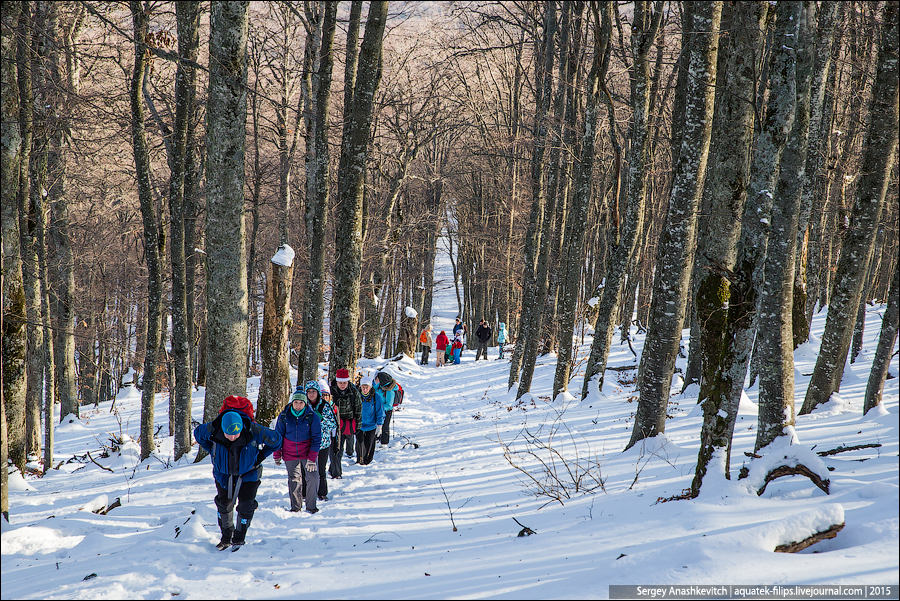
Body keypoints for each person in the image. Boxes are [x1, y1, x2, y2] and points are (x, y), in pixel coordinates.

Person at [194, 403, 282, 548]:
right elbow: (198, 434)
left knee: (246, 506)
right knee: (224, 505)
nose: (233, 437)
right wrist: (213, 452)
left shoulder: (253, 430)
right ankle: (226, 536)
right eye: (229, 434)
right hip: (223, 474)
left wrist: (260, 456)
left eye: (236, 433)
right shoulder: (214, 428)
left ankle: (239, 538)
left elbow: (276, 440)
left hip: (249, 474)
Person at [273, 390, 322, 514]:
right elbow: (278, 436)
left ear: (305, 404)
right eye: (296, 402)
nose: (298, 405)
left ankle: (311, 506)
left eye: (301, 402)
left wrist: (312, 459)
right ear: (292, 402)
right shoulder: (284, 416)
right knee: (294, 479)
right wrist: (277, 454)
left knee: (313, 477)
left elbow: (316, 439)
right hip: (290, 453)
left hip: (308, 452)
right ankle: (296, 507)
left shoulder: (312, 416)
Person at [305, 380, 338, 501]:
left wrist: (321, 420)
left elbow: (333, 424)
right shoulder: (303, 405)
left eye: (314, 391)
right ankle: (305, 493)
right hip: (307, 443)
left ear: (318, 392)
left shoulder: (325, 405)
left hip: (323, 443)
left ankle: (322, 492)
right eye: (309, 392)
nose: (311, 394)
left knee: (321, 470)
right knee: (306, 469)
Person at [330, 368, 361, 467]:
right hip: (336, 423)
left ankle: (350, 453)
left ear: (348, 381)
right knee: (337, 446)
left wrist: (358, 425)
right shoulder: (331, 391)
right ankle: (336, 466)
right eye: (340, 383)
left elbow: (358, 409)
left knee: (350, 439)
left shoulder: (354, 392)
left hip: (349, 422)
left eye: (344, 382)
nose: (342, 385)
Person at [357, 374, 384, 465]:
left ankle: (368, 461)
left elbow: (380, 411)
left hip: (371, 424)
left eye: (367, 387)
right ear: (360, 387)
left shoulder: (376, 397)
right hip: (359, 425)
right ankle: (360, 460)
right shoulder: (356, 396)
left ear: (370, 387)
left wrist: (379, 425)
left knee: (369, 445)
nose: (365, 389)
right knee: (360, 443)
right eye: (363, 387)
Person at [374, 371, 398, 445]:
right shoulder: (379, 386)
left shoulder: (389, 390)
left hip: (387, 411)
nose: (375, 380)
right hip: (378, 410)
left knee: (385, 426)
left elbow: (389, 405)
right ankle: (376, 439)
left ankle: (384, 443)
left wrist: (379, 407)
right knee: (376, 425)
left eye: (377, 378)